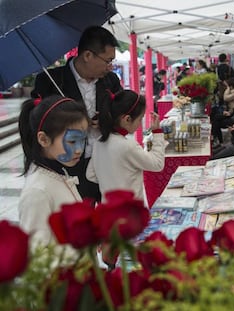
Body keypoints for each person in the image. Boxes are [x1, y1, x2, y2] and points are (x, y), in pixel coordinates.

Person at [31, 25, 122, 203]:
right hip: (68, 165)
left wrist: (107, 121)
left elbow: (122, 114)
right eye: (107, 61)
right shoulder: (51, 82)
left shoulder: (111, 81)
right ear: (88, 55)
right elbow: (37, 123)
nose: (110, 67)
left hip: (106, 162)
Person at [18, 95, 89, 247]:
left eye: (83, 140)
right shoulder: (37, 192)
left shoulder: (58, 172)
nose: (79, 150)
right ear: (43, 139)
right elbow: (36, 257)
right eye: (72, 141)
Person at [86, 90, 166, 206]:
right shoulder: (128, 146)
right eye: (140, 119)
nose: (140, 124)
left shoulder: (99, 143)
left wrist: (110, 180)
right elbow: (157, 164)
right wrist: (157, 133)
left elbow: (90, 175)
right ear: (127, 119)